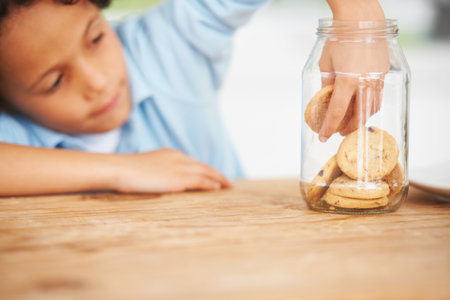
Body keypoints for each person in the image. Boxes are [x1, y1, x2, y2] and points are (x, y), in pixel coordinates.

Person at [0, 0, 388, 196]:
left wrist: (359, 17)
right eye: (54, 82)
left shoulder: (168, 43)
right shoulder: (13, 130)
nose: (98, 82)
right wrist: (117, 169)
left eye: (97, 38)